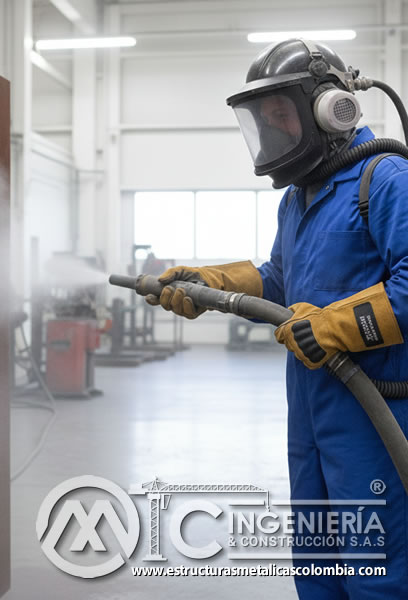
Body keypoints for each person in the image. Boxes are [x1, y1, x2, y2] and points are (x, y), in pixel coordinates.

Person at [148, 39, 408, 598]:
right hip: (312, 414)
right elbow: (282, 281)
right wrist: (214, 285)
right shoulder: (299, 198)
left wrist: (339, 325)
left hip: (377, 413)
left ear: (328, 108)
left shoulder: (384, 179)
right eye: (265, 123)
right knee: (316, 564)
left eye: (282, 117)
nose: (274, 134)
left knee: (375, 571)